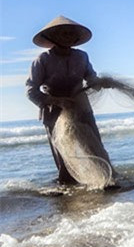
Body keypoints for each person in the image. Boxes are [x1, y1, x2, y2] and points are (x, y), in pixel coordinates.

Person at [25, 15, 115, 184]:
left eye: (70, 33)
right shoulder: (42, 60)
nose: (67, 36)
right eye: (62, 33)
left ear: (75, 38)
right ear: (53, 37)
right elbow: (31, 90)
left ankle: (104, 179)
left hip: (81, 107)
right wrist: (56, 101)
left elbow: (91, 80)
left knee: (94, 146)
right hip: (54, 110)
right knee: (62, 152)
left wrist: (102, 83)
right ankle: (67, 186)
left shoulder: (82, 57)